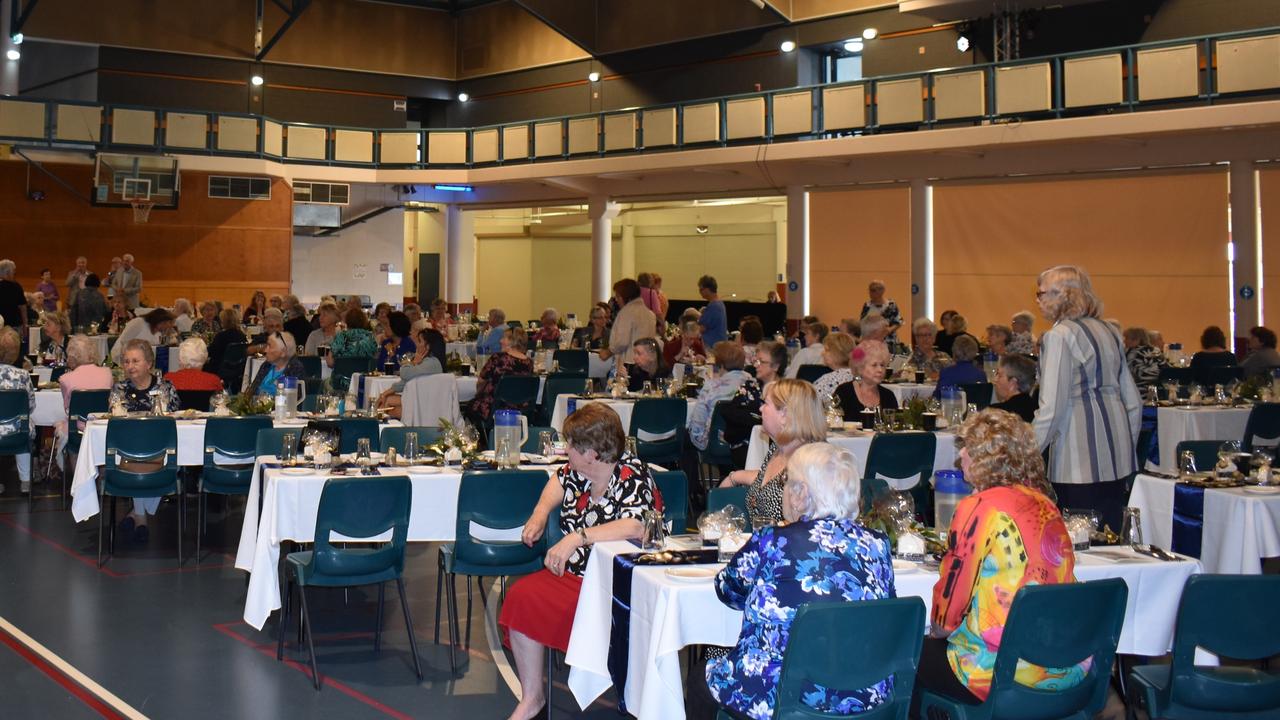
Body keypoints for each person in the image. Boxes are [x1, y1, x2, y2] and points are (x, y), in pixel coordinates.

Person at [708, 442, 895, 718]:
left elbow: (727, 589)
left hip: (784, 698)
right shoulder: (878, 545)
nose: (784, 491)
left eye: (787, 483)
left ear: (801, 494)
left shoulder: (774, 541)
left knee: (703, 680)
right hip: (865, 695)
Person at [913, 409, 1079, 712]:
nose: (960, 453)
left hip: (1001, 671)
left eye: (969, 447)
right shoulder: (1045, 504)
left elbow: (948, 615)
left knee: (905, 655)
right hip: (1062, 662)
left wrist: (936, 631)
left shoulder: (979, 508)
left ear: (985, 459)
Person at [498, 403, 656, 720]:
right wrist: (540, 514)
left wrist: (576, 537)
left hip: (613, 585)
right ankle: (533, 698)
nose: (565, 448)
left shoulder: (633, 475)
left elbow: (637, 526)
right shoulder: (578, 472)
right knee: (520, 596)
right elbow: (557, 482)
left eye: (571, 444)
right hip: (573, 577)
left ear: (592, 453)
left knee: (552, 604)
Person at [1033, 265, 1141, 531]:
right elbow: (1133, 402)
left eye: (1042, 293)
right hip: (1118, 458)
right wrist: (1126, 448)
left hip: (1076, 460)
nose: (1038, 300)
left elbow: (1052, 408)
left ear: (1064, 295)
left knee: (1080, 543)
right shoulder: (1110, 332)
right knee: (1112, 536)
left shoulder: (1059, 336)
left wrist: (1026, 452)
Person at [718, 378, 826, 525]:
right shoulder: (778, 449)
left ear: (784, 415)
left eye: (766, 404)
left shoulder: (810, 461)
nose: (760, 409)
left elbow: (806, 524)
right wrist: (736, 476)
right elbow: (771, 481)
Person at [110, 339, 180, 541]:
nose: (129, 366)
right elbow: (113, 418)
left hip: (161, 449)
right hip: (127, 450)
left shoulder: (166, 387)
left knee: (163, 461)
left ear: (149, 363)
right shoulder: (119, 389)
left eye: (135, 361)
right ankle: (140, 517)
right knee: (138, 459)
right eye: (126, 361)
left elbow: (174, 419)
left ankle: (137, 514)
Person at [722, 340, 787, 469]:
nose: (756, 365)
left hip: (780, 445)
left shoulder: (786, 390)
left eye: (761, 362)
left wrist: (752, 416)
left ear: (776, 366)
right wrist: (759, 419)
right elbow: (730, 413)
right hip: (745, 443)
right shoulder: (750, 386)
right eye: (756, 361)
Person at [688, 342, 753, 452]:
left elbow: (697, 425)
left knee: (684, 441)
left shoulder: (712, 387)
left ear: (721, 364)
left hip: (715, 443)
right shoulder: (752, 383)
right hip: (745, 443)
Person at [373, 325, 445, 419]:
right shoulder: (428, 362)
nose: (417, 344)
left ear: (428, 346)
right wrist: (385, 393)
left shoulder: (432, 363)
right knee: (386, 400)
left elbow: (405, 374)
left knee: (385, 406)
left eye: (419, 341)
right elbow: (408, 380)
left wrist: (413, 362)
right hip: (420, 400)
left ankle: (384, 428)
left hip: (424, 405)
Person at [470, 327, 533, 424]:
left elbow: (481, 381)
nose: (500, 341)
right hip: (519, 410)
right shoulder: (529, 363)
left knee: (469, 406)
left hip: (494, 409)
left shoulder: (498, 358)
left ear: (512, 341)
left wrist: (478, 394)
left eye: (504, 338)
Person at [0, 328, 35, 494]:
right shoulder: (23, 375)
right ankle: (25, 481)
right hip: (18, 431)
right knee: (25, 424)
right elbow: (31, 406)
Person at [835, 340, 898, 419]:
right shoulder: (844, 392)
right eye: (874, 365)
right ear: (860, 367)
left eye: (882, 365)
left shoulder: (888, 396)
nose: (880, 370)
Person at [600, 278, 656, 367]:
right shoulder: (649, 313)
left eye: (618, 296)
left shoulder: (626, 312)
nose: (616, 300)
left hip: (630, 363)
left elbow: (622, 341)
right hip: (647, 362)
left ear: (626, 296)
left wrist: (608, 352)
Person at [59, 334, 113, 413]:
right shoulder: (107, 373)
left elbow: (67, 408)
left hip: (76, 424)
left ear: (71, 356)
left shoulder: (65, 379)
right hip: (103, 422)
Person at [110, 308, 175, 365]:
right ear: (158, 321)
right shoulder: (139, 322)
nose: (166, 326)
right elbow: (124, 340)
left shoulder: (159, 332)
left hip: (142, 359)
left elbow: (163, 346)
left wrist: (167, 334)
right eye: (164, 323)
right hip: (122, 355)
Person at [249, 332, 305, 396]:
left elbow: (293, 399)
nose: (265, 350)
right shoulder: (266, 365)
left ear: (283, 352)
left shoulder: (295, 368)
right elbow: (251, 391)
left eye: (270, 346)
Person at [327, 307, 377, 377]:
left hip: (341, 382)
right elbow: (374, 359)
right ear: (364, 321)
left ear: (347, 321)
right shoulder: (370, 336)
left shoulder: (341, 336)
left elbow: (330, 362)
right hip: (363, 381)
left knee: (324, 384)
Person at [989, 354, 1037, 422]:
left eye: (1000, 375)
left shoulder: (997, 413)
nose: (995, 379)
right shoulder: (1036, 410)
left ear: (1013, 383)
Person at [812, 332, 857, 403]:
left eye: (826, 350)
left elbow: (808, 402)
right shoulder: (860, 376)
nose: (822, 353)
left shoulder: (829, 380)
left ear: (837, 353)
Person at [204, 309, 244, 377]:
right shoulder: (241, 335)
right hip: (237, 368)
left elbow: (210, 352)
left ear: (224, 321)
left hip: (219, 368)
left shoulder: (221, 336)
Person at [0, 260, 28, 344]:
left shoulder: (16, 286)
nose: (14, 273)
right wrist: (25, 326)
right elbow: (23, 308)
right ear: (8, 272)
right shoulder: (16, 286)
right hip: (14, 327)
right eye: (13, 271)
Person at [697, 275, 728, 347]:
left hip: (711, 346)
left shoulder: (714, 306)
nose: (699, 292)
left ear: (707, 289)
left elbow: (701, 328)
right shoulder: (719, 303)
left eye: (701, 289)